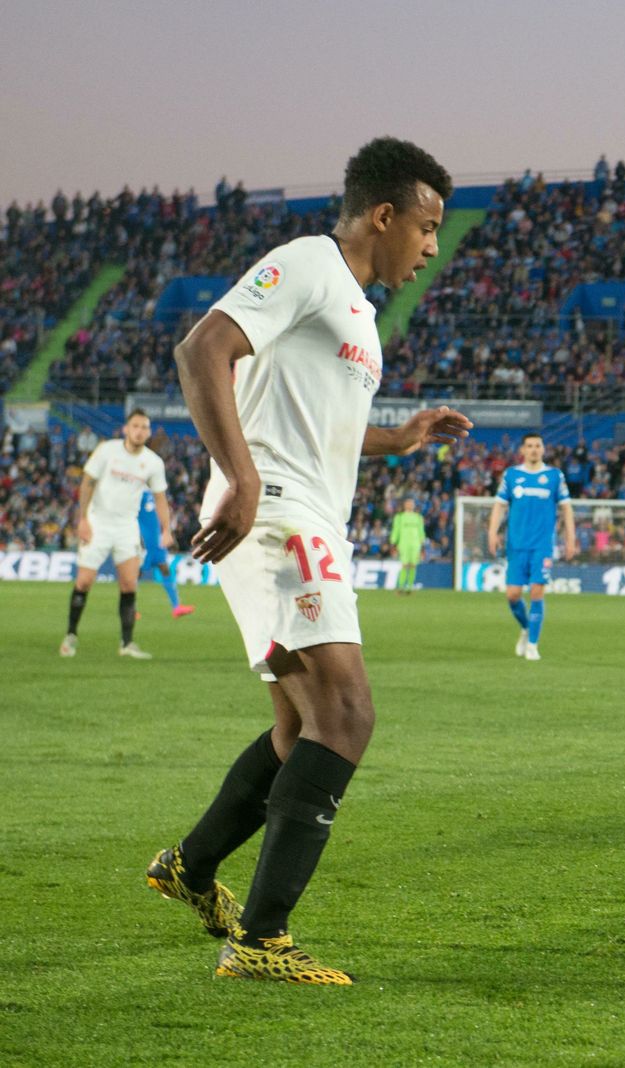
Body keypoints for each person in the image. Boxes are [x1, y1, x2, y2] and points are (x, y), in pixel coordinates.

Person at [145, 137, 469, 984]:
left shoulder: (357, 312)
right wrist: (243, 477)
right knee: (347, 716)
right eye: (427, 227)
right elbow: (201, 350)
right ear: (384, 215)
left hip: (304, 516)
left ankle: (191, 866)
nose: (433, 248)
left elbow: (316, 422)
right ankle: (262, 940)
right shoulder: (309, 264)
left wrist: (399, 438)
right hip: (280, 518)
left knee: (299, 731)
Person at [59, 409, 173, 660]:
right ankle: (71, 635)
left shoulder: (153, 462)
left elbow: (160, 498)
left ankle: (127, 643)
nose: (139, 431)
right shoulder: (107, 450)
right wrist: (83, 519)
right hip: (98, 522)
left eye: (144, 427)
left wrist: (166, 529)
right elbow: (87, 483)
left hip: (126, 526)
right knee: (84, 582)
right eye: (135, 426)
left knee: (129, 584)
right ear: (126, 429)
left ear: (149, 432)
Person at [487, 432, 577, 661]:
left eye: (538, 445)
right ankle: (526, 628)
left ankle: (533, 645)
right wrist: (492, 532)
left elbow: (566, 508)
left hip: (542, 546)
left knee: (537, 591)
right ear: (523, 450)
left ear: (543, 449)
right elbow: (499, 506)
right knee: (513, 595)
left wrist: (570, 539)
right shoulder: (512, 475)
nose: (534, 449)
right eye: (529, 446)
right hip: (516, 545)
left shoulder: (554, 476)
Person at [139, 488, 195, 617]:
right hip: (145, 540)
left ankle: (176, 606)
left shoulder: (153, 493)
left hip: (156, 539)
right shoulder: (138, 493)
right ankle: (130, 608)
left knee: (164, 568)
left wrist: (166, 532)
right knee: (136, 572)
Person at [388, 497, 426, 594]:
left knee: (413, 565)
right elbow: (396, 530)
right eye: (408, 503)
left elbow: (421, 531)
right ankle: (401, 586)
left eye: (411, 503)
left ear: (414, 505)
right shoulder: (399, 517)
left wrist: (422, 544)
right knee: (404, 565)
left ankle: (409, 587)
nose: (410, 505)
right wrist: (393, 542)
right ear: (404, 505)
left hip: (415, 544)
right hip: (403, 544)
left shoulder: (418, 517)